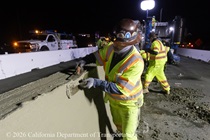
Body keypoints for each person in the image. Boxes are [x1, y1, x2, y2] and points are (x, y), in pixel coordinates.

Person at [75, 18, 144, 140]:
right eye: (115, 42)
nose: (115, 45)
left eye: (119, 44)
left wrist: (96, 82)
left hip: (129, 104)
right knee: (119, 126)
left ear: (129, 43)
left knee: (129, 135)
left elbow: (121, 89)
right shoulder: (112, 48)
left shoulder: (136, 61)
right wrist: (84, 60)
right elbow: (97, 56)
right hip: (113, 100)